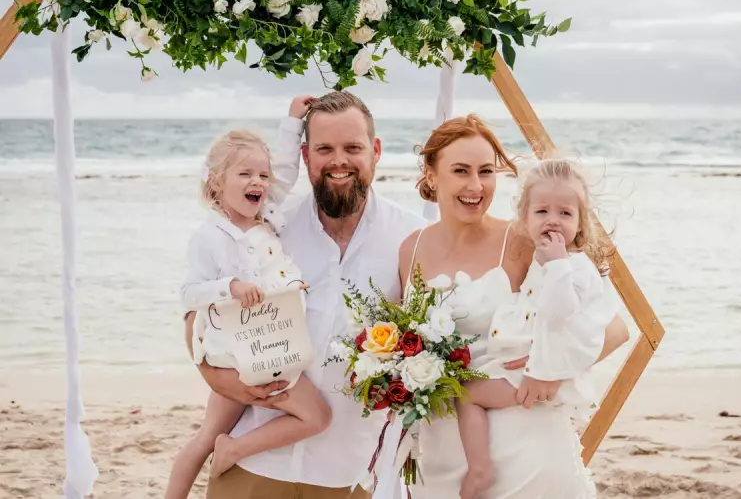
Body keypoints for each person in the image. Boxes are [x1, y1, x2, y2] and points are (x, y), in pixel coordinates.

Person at [184, 91, 428, 499]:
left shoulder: (411, 238)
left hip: (348, 474)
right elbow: (198, 313)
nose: (339, 160)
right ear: (305, 155)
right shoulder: (267, 226)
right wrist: (219, 379)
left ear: (377, 151)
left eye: (353, 147)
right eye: (324, 148)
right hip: (250, 463)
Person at [398, 115, 628, 499]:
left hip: (526, 444)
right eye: (461, 171)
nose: (476, 185)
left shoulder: (526, 239)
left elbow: (613, 329)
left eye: (486, 171)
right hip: (442, 453)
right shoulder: (411, 248)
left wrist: (551, 372)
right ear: (432, 174)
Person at [166, 97, 333, 499]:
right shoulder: (210, 236)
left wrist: (294, 120)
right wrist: (230, 288)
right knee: (313, 416)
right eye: (245, 174)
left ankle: (232, 447)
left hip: (270, 346)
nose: (258, 182)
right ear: (216, 182)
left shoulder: (267, 216)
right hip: (239, 357)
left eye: (262, 174)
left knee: (216, 431)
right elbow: (189, 293)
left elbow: (289, 173)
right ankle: (222, 458)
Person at [454, 158, 615, 499]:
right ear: (525, 219)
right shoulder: (544, 261)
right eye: (542, 212)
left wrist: (557, 264)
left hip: (536, 373)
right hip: (524, 364)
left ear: (581, 224)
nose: (553, 220)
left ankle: (479, 470)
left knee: (467, 394)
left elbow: (559, 313)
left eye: (565, 214)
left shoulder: (575, 267)